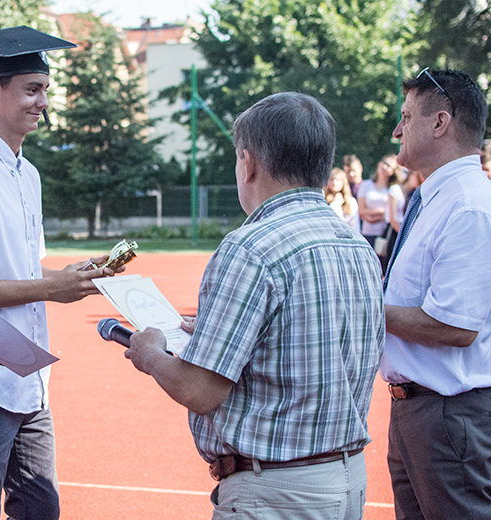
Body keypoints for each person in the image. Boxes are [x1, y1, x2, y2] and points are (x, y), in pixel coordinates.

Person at [125, 92, 384, 519]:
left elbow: (199, 390)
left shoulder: (250, 247)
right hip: (346, 480)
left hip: (275, 491)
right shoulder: (355, 245)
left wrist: (150, 353)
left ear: (248, 162)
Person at [0, 26, 121, 520]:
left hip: (29, 383)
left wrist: (69, 275)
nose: (43, 102)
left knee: (40, 509)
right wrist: (50, 288)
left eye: (45, 90)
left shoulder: (26, 172)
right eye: (32, 89)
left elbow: (21, 269)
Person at [381, 68, 491, 519]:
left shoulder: (469, 205)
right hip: (426, 411)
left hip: (450, 414)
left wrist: (363, 307)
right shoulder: (440, 198)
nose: (396, 129)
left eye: (406, 116)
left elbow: (456, 326)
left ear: (440, 122)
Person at [325, 166, 360, 231]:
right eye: (332, 180)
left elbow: (354, 226)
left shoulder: (351, 202)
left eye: (338, 180)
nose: (335, 183)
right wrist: (335, 203)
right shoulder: (323, 200)